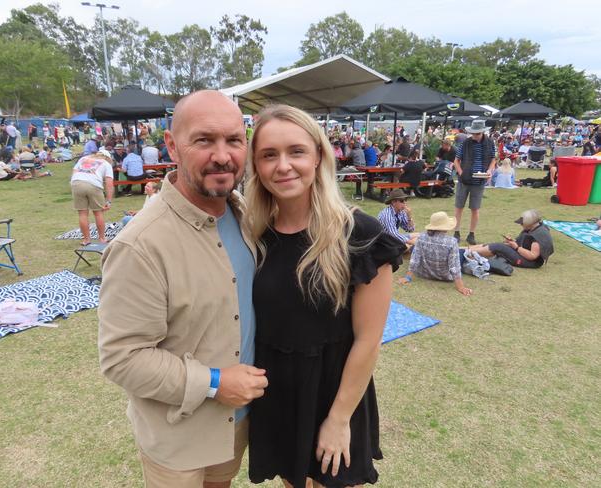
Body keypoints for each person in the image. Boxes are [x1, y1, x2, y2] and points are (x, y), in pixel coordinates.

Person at [99, 90, 266, 488]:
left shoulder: (244, 214)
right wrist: (214, 382)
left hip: (236, 423)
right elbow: (122, 358)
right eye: (204, 140)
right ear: (173, 146)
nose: (223, 156)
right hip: (178, 437)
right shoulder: (140, 245)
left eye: (234, 140)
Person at [245, 104, 405, 488]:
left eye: (296, 151)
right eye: (269, 155)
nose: (283, 165)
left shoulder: (361, 236)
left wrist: (338, 419)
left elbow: (369, 340)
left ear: (318, 155)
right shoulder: (252, 233)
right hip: (277, 392)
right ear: (256, 165)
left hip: (336, 393)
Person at [398, 211, 472, 296]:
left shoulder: (421, 237)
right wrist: (460, 287)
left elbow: (415, 259)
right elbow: (454, 266)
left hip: (424, 273)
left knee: (415, 248)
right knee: (462, 253)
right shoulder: (452, 242)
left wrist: (407, 277)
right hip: (445, 276)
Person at [453, 119, 496, 245]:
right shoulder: (465, 143)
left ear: (482, 132)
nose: (475, 136)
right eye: (474, 133)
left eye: (477, 133)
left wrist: (489, 171)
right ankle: (456, 232)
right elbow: (456, 161)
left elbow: (493, 159)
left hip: (479, 181)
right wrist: (461, 173)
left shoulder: (490, 143)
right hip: (464, 181)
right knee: (459, 207)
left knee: (475, 209)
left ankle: (471, 234)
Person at [469, 209, 554, 268]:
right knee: (495, 245)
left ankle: (465, 253)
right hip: (523, 254)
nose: (521, 225)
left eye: (522, 223)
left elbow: (532, 256)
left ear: (529, 223)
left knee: (498, 247)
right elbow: (524, 243)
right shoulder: (533, 227)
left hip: (531, 262)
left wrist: (516, 247)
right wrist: (513, 242)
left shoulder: (539, 235)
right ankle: (463, 249)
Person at [70, 148, 114, 245]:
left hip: (76, 183)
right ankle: (102, 238)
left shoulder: (83, 159)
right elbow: (109, 184)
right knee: (98, 213)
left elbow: (74, 173)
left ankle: (86, 239)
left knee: (82, 214)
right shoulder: (106, 164)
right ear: (108, 158)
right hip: (93, 185)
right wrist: (109, 201)